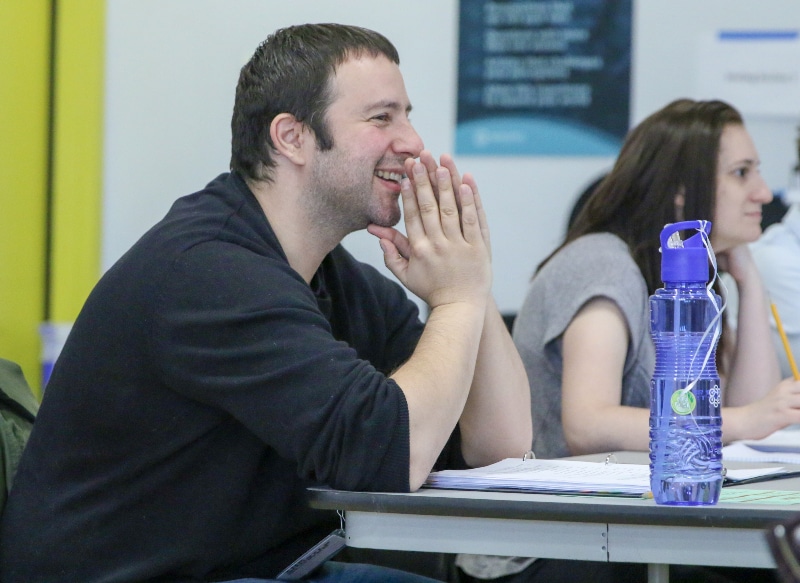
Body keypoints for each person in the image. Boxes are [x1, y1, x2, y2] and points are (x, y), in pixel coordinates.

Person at [0, 24, 531, 583]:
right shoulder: (209, 273)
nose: (412, 140)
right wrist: (454, 300)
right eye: (382, 117)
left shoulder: (331, 275)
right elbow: (397, 456)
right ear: (291, 137)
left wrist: (472, 287)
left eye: (407, 114)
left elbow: (502, 445)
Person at [458, 99, 799, 583]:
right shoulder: (603, 261)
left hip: (632, 531)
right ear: (682, 194)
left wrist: (748, 277)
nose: (763, 193)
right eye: (742, 173)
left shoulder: (692, 283)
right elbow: (589, 424)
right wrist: (746, 418)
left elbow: (745, 418)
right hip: (548, 547)